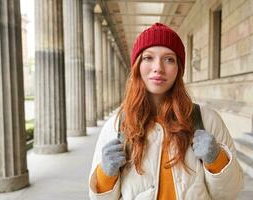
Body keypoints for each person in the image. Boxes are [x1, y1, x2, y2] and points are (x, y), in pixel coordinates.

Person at [88, 23, 243, 200]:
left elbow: (230, 193)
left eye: (169, 59)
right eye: (148, 58)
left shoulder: (207, 120)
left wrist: (216, 159)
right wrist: (105, 174)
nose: (158, 67)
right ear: (137, 66)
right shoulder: (116, 125)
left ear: (179, 69)